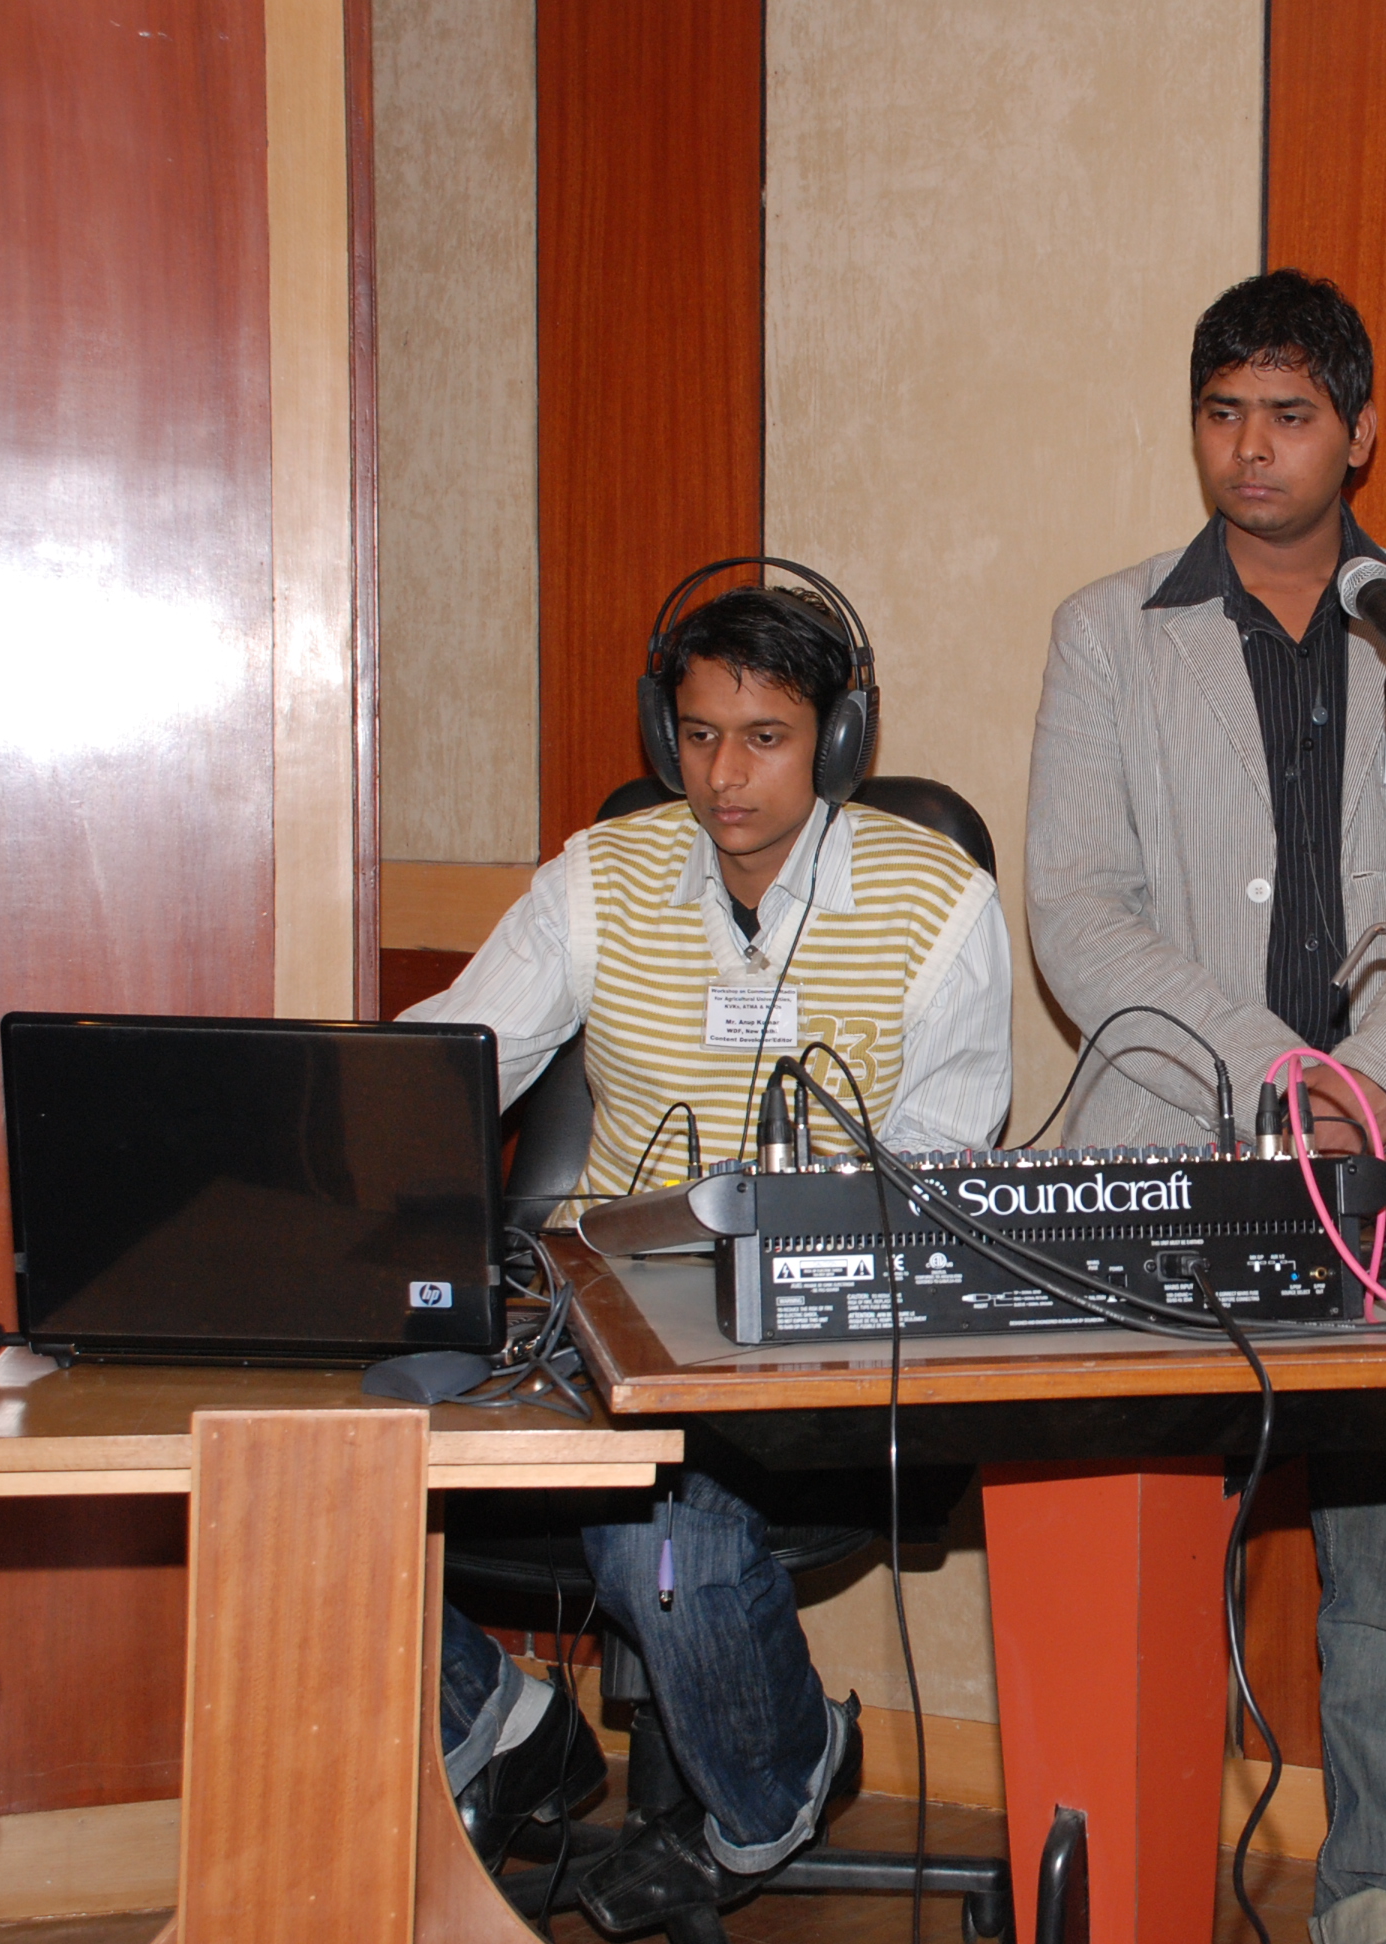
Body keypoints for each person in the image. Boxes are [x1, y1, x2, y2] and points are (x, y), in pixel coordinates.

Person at [1025, 269, 1386, 1944]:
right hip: (1179, 1142)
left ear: (1361, 433)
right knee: (1153, 1540)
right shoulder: (1110, 629)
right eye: (1224, 413)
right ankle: (1142, 1871)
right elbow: (1080, 910)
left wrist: (1373, 1096)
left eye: (1291, 416)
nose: (1252, 451)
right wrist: (1277, 1066)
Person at [404, 581, 1013, 1934]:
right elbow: (450, 1063)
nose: (723, 777)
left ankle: (776, 1784)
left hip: (820, 1351)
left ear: (838, 743)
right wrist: (320, 1138)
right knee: (323, 1452)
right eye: (696, 736)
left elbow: (933, 1172)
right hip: (601, 1325)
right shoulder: (600, 879)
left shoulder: (938, 904)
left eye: (765, 738)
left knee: (656, 1535)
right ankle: (497, 1721)